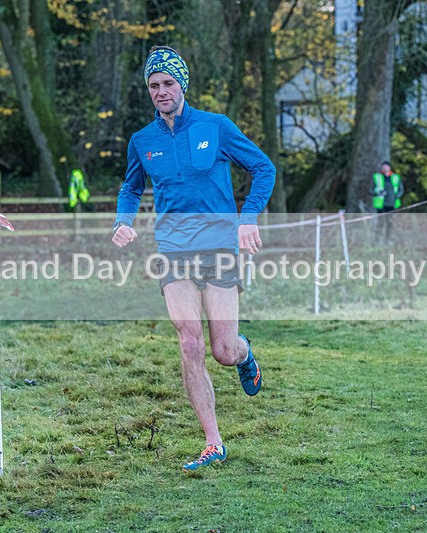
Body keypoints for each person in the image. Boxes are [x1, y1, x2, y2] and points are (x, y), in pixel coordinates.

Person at [112, 45, 276, 472]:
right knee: (189, 341)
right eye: (153, 85)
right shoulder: (142, 141)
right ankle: (212, 442)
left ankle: (244, 353)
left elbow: (263, 168)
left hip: (220, 246)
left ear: (182, 84)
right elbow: (130, 187)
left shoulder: (216, 127)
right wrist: (124, 220)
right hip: (173, 250)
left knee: (222, 350)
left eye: (167, 83)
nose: (160, 91)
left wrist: (248, 218)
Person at [370, 161, 404, 242]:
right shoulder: (376, 177)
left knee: (390, 223)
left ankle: (387, 239)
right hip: (381, 204)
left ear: (389, 168)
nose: (384, 168)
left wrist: (397, 196)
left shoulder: (396, 177)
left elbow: (401, 189)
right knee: (380, 222)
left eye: (386, 167)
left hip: (392, 204)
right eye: (383, 167)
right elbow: (370, 190)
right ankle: (377, 239)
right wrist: (377, 193)